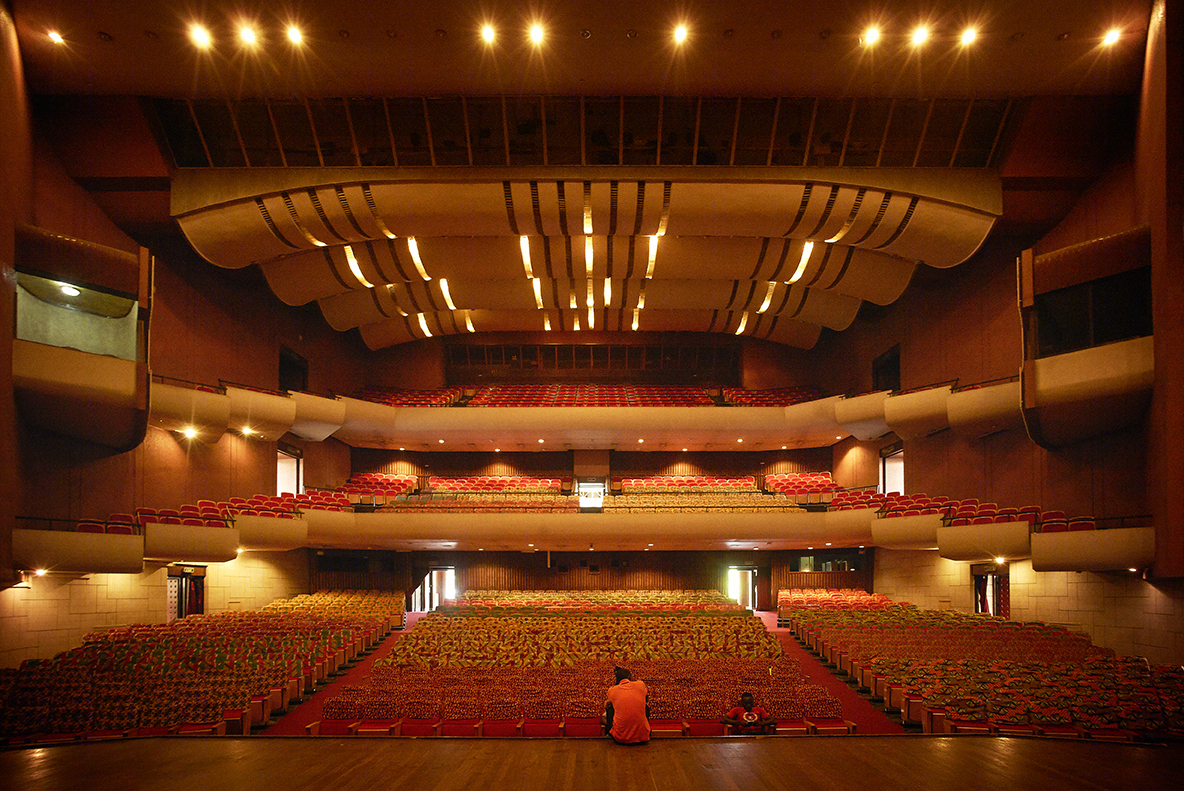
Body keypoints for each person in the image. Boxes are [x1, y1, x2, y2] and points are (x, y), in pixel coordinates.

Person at [603, 666, 650, 744]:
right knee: (645, 706)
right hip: (642, 736)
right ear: (629, 677)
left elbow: (610, 701)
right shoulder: (640, 685)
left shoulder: (612, 690)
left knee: (610, 706)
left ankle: (609, 732)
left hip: (621, 737)